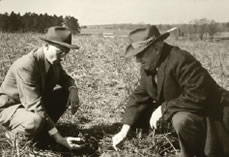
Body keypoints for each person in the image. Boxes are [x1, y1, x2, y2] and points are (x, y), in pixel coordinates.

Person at [112, 25, 229, 157]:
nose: (137, 60)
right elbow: (139, 95)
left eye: (141, 54)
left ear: (157, 48)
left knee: (181, 120)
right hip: (184, 106)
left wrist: (164, 108)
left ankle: (195, 153)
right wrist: (124, 129)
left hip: (212, 112)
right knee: (142, 113)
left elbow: (198, 95)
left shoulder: (180, 59)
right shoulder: (148, 66)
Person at [0, 26, 84, 150]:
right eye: (60, 52)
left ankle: (42, 132)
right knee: (35, 121)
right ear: (46, 46)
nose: (63, 58)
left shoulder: (53, 60)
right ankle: (7, 136)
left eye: (65, 54)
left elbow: (65, 78)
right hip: (11, 108)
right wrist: (59, 138)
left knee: (64, 94)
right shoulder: (27, 65)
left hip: (30, 105)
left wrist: (73, 89)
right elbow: (34, 105)